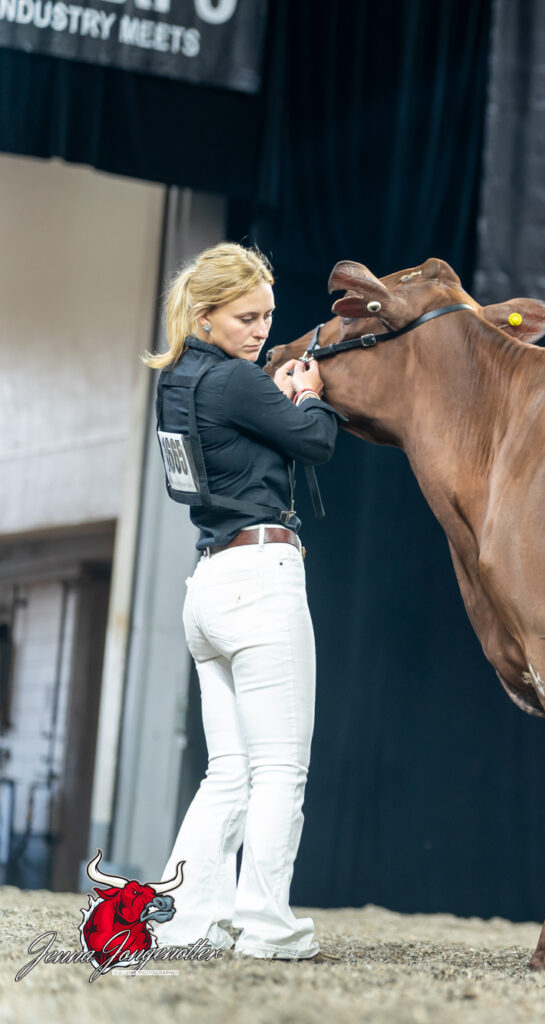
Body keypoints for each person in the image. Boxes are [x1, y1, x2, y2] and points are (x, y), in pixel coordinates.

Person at [143, 242, 339, 959]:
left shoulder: (177, 379)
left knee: (228, 770)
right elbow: (315, 443)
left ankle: (180, 919)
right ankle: (267, 927)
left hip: (207, 587)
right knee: (280, 768)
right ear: (205, 315)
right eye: (246, 318)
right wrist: (308, 395)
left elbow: (204, 469)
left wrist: (269, 396)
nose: (261, 331)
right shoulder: (234, 381)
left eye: (267, 317)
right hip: (259, 579)